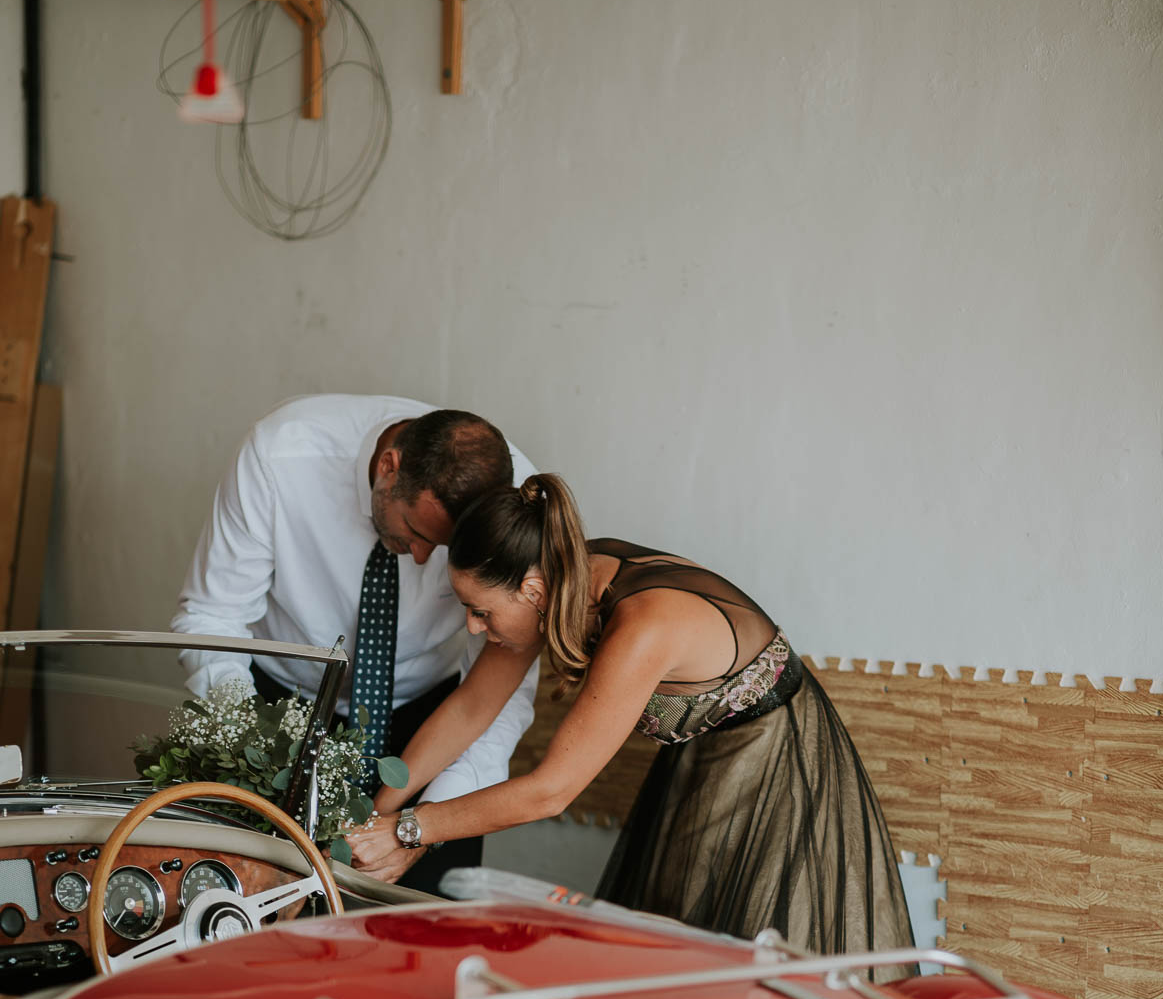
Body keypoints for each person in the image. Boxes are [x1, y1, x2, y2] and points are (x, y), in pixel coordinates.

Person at [346, 474, 914, 958]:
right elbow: (469, 708)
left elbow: (550, 792)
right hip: (697, 759)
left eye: (480, 611)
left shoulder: (640, 628)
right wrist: (373, 813)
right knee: (673, 945)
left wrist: (409, 831)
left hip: (777, 766)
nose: (473, 626)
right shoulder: (552, 577)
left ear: (533, 590)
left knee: (742, 953)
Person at [172, 395, 539, 892]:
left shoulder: (515, 506)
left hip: (430, 720)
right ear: (390, 468)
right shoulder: (280, 457)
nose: (423, 557)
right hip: (275, 706)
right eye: (414, 531)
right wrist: (256, 755)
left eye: (444, 548)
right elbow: (213, 617)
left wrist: (427, 826)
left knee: (418, 929)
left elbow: (496, 697)